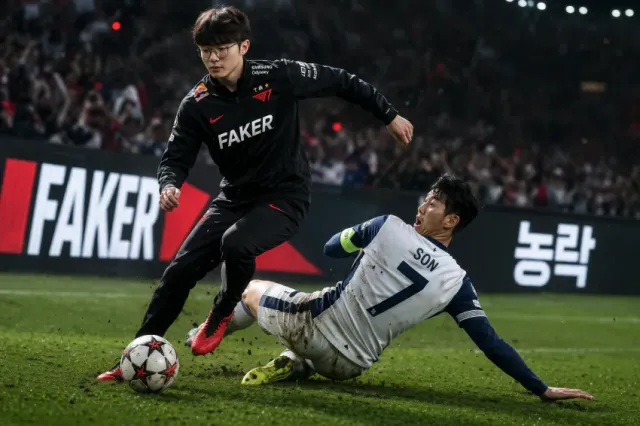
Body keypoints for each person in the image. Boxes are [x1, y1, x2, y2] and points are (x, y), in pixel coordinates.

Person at [97, 6, 413, 381]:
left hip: (286, 195)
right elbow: (175, 157)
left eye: (222, 49)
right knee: (178, 272)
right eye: (205, 50)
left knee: (236, 244)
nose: (213, 58)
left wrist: (389, 115)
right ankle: (131, 359)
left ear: (244, 46)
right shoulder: (196, 104)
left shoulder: (279, 75)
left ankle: (222, 311)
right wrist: (169, 184)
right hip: (234, 198)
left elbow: (342, 81)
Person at [187, 174, 594, 402]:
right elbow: (491, 343)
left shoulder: (387, 226)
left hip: (313, 326)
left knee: (250, 289)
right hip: (351, 366)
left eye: (432, 203)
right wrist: (541, 388)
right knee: (320, 337)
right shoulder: (456, 281)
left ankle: (199, 334)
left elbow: (332, 248)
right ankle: (294, 363)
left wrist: (356, 238)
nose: (422, 206)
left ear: (451, 220)